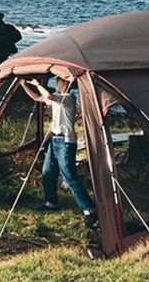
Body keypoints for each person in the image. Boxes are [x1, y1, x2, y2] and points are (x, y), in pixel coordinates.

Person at [24, 77, 97, 228]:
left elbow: (48, 96)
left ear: (66, 84)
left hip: (66, 142)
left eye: (59, 82)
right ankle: (51, 203)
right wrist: (23, 85)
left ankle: (89, 209)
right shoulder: (58, 98)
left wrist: (38, 84)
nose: (57, 84)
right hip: (54, 140)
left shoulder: (68, 98)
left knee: (69, 176)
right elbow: (38, 97)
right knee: (47, 172)